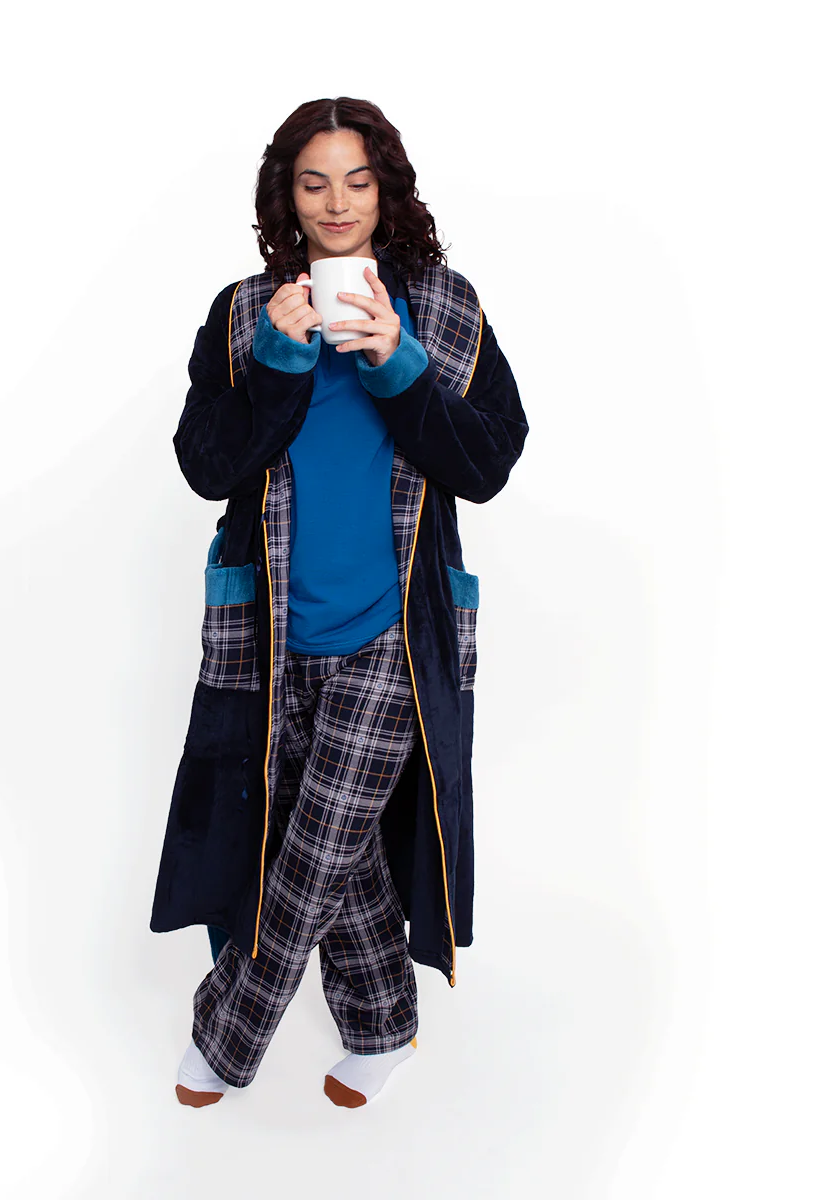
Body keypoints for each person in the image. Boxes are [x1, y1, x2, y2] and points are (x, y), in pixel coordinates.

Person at [149, 96, 529, 1107]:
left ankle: (226, 1037)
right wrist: (277, 367)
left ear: (386, 189)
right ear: (288, 197)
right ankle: (383, 1027)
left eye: (357, 181)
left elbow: (487, 463)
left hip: (397, 636)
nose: (337, 203)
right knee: (336, 848)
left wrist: (398, 363)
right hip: (272, 633)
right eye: (314, 183)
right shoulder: (247, 314)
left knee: (311, 853)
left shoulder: (445, 308)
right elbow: (205, 465)